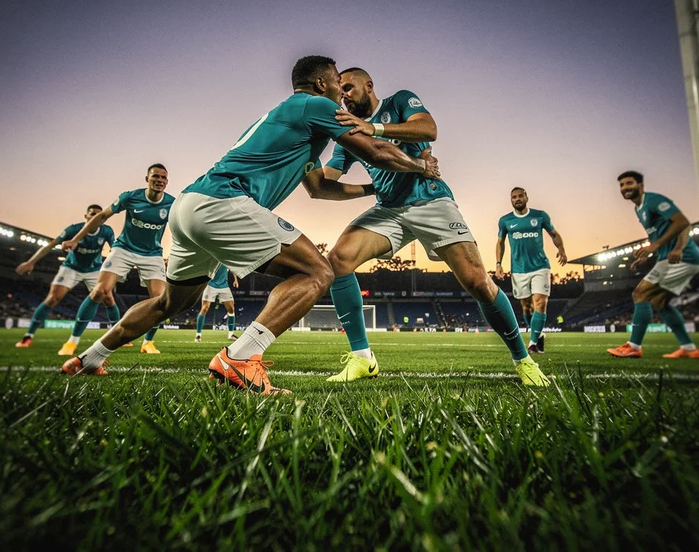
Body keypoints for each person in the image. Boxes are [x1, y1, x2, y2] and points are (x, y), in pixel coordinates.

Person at [61, 55, 437, 395]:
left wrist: (372, 188)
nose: (342, 92)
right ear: (321, 83)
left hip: (190, 207)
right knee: (318, 272)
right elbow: (374, 151)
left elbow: (320, 188)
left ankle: (89, 358)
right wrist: (421, 167)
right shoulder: (318, 105)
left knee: (169, 302)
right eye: (339, 82)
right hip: (224, 203)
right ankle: (240, 358)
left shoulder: (294, 119)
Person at [322, 68, 548, 386]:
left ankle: (524, 361)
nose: (343, 94)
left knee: (478, 282)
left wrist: (373, 128)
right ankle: (362, 358)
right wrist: (362, 186)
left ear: (368, 86)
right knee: (338, 261)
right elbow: (326, 184)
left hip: (431, 201)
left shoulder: (399, 101)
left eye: (348, 87)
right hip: (389, 210)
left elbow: (429, 129)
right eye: (339, 90)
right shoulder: (348, 135)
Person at [59, 164, 174, 356]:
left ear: (167, 182)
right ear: (147, 179)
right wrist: (75, 239)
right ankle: (72, 342)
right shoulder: (130, 197)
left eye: (163, 178)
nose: (159, 181)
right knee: (100, 291)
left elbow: (179, 230)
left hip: (152, 254)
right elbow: (102, 216)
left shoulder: (172, 203)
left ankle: (148, 343)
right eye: (155, 176)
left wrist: (172, 254)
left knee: (161, 301)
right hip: (124, 248)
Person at [607, 171, 699, 359]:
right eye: (621, 185)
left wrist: (676, 248)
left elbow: (683, 223)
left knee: (640, 293)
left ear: (641, 185)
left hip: (682, 257)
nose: (625, 188)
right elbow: (659, 233)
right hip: (668, 258)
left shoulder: (653, 200)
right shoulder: (639, 209)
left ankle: (634, 346)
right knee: (660, 302)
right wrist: (647, 254)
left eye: (629, 183)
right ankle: (690, 348)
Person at [14, 204, 116, 348]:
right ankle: (28, 336)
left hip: (94, 269)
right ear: (86, 216)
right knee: (52, 299)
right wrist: (31, 262)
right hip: (71, 268)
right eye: (92, 214)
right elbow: (50, 246)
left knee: (109, 299)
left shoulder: (106, 231)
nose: (96, 217)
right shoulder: (73, 230)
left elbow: (115, 249)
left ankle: (117, 332)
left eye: (99, 215)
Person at [495, 187, 567, 354]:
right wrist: (498, 264)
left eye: (521, 196)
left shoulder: (540, 216)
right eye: (514, 197)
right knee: (526, 307)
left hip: (540, 266)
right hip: (519, 270)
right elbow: (500, 242)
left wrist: (561, 248)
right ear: (511, 200)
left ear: (527, 197)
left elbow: (554, 234)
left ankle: (533, 342)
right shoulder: (505, 220)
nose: (517, 199)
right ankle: (539, 334)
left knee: (540, 302)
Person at [195, 265, 239, 342]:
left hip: (224, 286)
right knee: (205, 308)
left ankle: (231, 334)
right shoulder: (213, 255)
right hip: (210, 285)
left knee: (231, 309)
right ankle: (198, 335)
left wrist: (235, 280)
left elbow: (233, 267)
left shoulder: (227, 257)